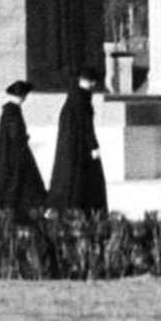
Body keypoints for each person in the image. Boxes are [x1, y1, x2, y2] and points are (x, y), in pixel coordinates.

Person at [48, 64, 108, 213]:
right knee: (84, 183)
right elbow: (86, 126)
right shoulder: (83, 100)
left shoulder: (71, 98)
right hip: (81, 150)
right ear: (92, 82)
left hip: (68, 150)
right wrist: (93, 146)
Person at [0, 79, 47, 217]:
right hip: (15, 157)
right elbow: (15, 136)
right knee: (21, 184)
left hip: (9, 154)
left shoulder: (8, 110)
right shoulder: (13, 112)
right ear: (22, 96)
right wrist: (23, 138)